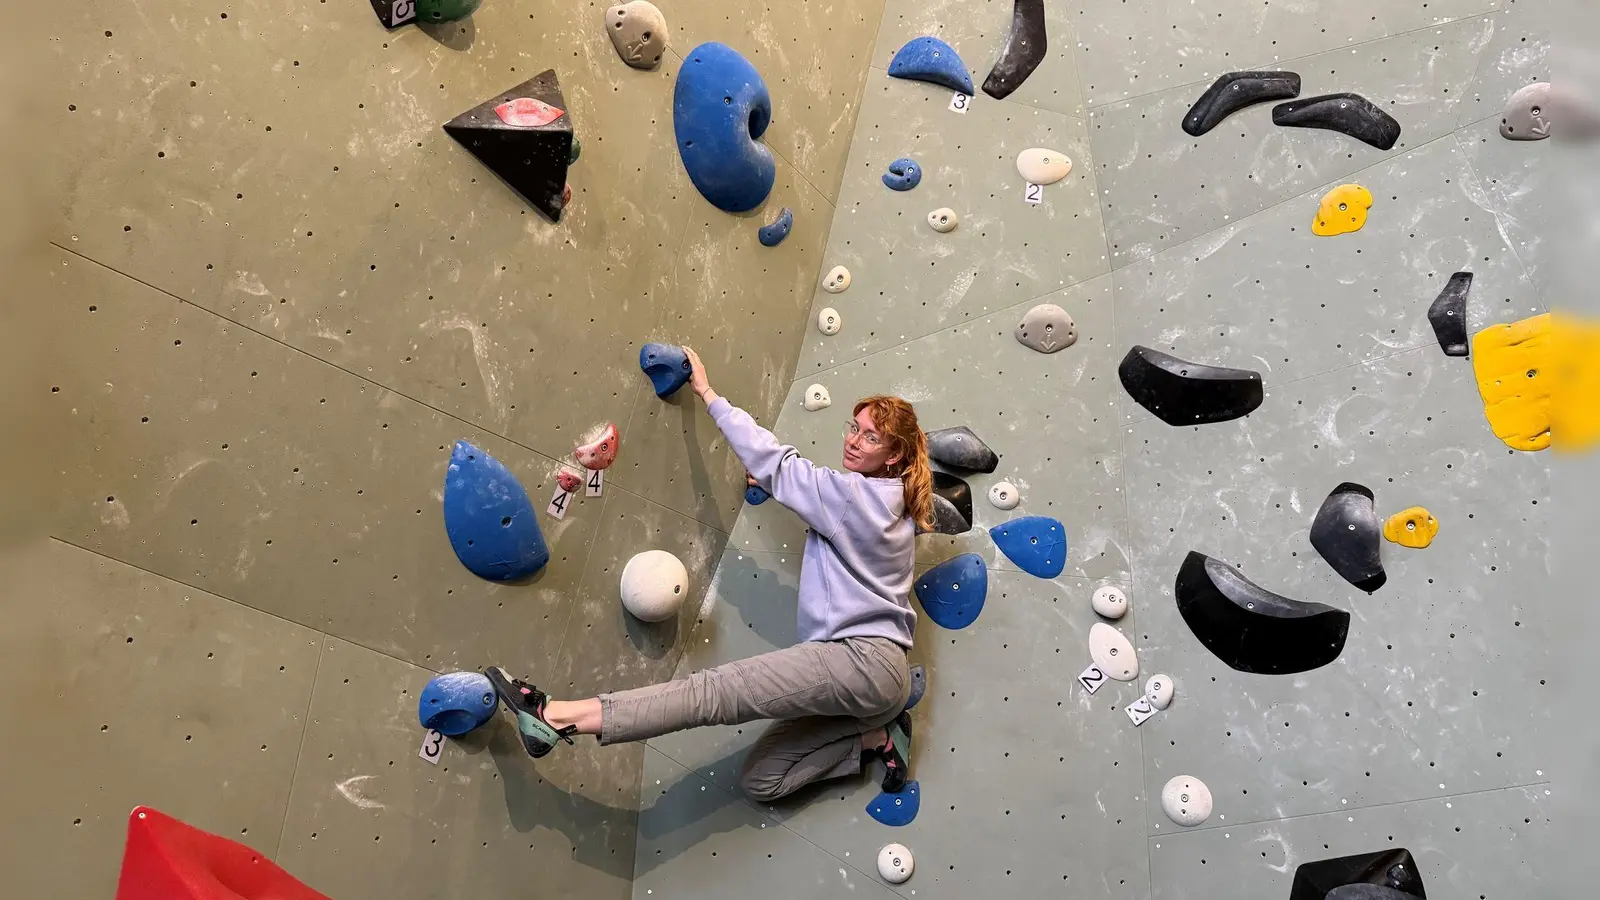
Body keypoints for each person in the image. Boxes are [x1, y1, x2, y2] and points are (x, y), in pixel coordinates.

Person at [484, 346, 935, 802]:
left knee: (712, 694)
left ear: (894, 454)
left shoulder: (856, 497)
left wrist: (707, 392)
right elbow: (832, 519)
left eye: (870, 437)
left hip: (860, 661)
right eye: (853, 428)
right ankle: (877, 738)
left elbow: (778, 463)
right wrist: (777, 486)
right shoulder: (891, 506)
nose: (854, 441)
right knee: (762, 781)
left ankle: (554, 717)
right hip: (878, 680)